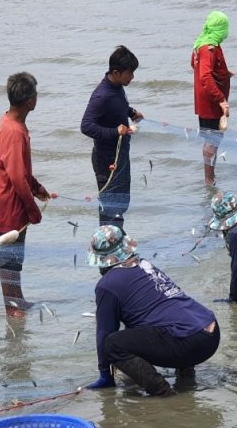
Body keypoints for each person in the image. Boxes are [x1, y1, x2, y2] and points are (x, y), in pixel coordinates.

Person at [84, 227, 220, 396]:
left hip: (189, 342)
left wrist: (105, 374)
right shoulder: (145, 265)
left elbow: (105, 333)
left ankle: (163, 393)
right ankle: (186, 376)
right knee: (168, 317)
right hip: (210, 330)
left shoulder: (107, 285)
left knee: (112, 344)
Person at [0, 72, 52, 317]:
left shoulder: (9, 121)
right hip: (8, 203)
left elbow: (20, 170)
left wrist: (36, 187)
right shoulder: (14, 132)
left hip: (6, 199)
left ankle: (18, 299)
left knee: (14, 257)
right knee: (9, 259)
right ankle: (12, 307)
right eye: (35, 94)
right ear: (30, 101)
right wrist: (32, 210)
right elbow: (16, 177)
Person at [80, 46, 143, 231]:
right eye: (129, 73)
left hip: (120, 155)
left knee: (120, 204)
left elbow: (118, 106)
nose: (132, 77)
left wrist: (131, 112)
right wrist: (115, 131)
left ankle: (117, 238)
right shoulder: (101, 95)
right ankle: (107, 241)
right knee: (109, 207)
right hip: (107, 161)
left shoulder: (117, 88)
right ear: (116, 72)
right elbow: (86, 126)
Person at [192, 10, 231, 186]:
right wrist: (221, 100)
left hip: (207, 101)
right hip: (210, 103)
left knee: (214, 139)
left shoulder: (203, 42)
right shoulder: (208, 48)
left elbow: (196, 65)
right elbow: (205, 77)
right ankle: (209, 179)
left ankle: (211, 176)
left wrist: (224, 73)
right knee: (211, 140)